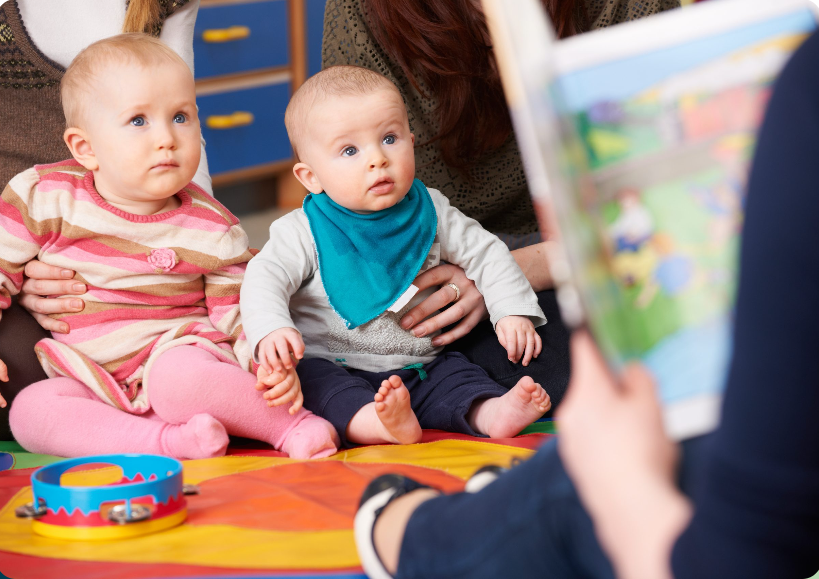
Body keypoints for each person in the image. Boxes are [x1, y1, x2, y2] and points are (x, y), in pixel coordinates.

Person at [351, 30, 819, 579]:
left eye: (390, 140)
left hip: (575, 267)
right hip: (520, 285)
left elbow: (736, 547)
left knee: (606, 455)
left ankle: (440, 538)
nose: (378, 161)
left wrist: (621, 481)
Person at [321, 0, 681, 409]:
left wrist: (506, 271)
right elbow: (347, 187)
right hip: (437, 275)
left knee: (645, 361)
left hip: (603, 245)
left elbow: (679, 186)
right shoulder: (364, 11)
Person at [1, 34, 338, 460]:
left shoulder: (211, 226)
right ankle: (166, 441)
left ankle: (292, 427)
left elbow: (237, 310)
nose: (167, 138)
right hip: (89, 373)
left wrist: (264, 364)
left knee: (179, 382)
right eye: (139, 121)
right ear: (85, 149)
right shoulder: (44, 196)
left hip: (178, 351)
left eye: (181, 117)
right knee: (32, 412)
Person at [241, 65, 552, 448]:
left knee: (458, 378)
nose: (377, 159)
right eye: (350, 150)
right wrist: (271, 328)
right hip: (331, 362)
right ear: (311, 177)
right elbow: (264, 275)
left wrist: (510, 309)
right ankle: (377, 422)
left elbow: (486, 252)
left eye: (389, 138)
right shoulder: (302, 229)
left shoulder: (432, 211)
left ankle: (491, 412)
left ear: (411, 139)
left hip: (419, 365)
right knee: (317, 390)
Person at [0, 0, 213, 440]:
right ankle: (156, 436)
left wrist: (188, 243)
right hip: (14, 239)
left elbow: (179, 130)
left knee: (216, 367)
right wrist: (19, 268)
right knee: (22, 399)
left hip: (124, 243)